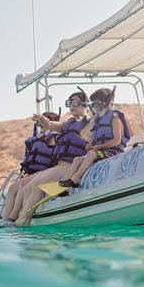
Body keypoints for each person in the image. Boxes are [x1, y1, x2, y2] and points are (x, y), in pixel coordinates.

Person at [14, 91, 93, 226]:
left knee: (38, 186)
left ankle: (24, 219)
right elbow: (50, 125)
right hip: (59, 165)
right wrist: (40, 118)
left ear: (84, 104)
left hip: (69, 164)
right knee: (28, 187)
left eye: (75, 102)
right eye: (69, 103)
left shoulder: (90, 123)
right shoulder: (69, 123)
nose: (71, 106)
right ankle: (25, 218)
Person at [58, 87, 131, 188]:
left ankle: (75, 179)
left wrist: (99, 147)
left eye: (96, 105)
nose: (95, 109)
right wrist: (91, 144)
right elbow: (97, 137)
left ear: (104, 104)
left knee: (91, 154)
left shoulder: (115, 118)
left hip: (112, 152)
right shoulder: (98, 119)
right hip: (101, 152)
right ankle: (64, 184)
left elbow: (117, 141)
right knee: (77, 159)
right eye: (93, 106)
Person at [0, 112, 59, 223]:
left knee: (24, 183)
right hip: (34, 171)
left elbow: (54, 155)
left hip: (46, 170)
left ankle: (13, 216)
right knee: (13, 188)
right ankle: (4, 220)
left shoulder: (53, 136)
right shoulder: (39, 136)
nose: (39, 126)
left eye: (41, 123)